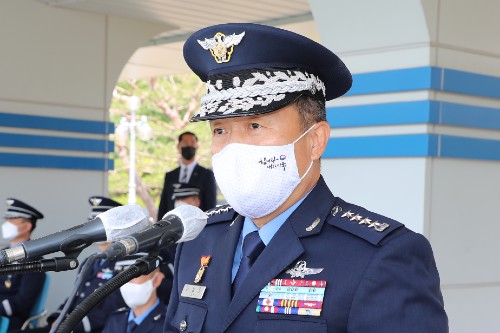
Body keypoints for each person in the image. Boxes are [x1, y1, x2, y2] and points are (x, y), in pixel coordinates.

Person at [164, 23, 448, 333]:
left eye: (255, 126)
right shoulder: (199, 240)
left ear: (315, 141)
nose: (233, 147)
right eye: (220, 130)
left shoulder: (381, 256)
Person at [0, 198, 46, 331]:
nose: (6, 224)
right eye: (6, 220)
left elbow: (22, 303)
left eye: (12, 220)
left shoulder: (33, 259)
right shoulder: (3, 253)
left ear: (26, 226)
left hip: (10, 321)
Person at [158, 131, 216, 218]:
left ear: (197, 146)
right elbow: (164, 205)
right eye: (185, 142)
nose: (189, 146)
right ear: (178, 146)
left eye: (192, 142)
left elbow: (211, 206)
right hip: (174, 228)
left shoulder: (206, 175)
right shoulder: (170, 176)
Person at [102, 266, 166, 333]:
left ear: (156, 280)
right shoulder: (115, 320)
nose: (128, 281)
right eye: (123, 275)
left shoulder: (169, 325)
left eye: (135, 275)